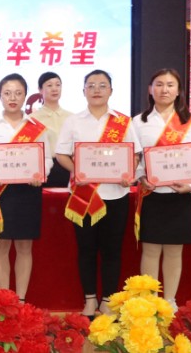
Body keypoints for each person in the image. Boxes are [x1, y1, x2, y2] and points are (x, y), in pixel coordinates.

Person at [55, 70, 141, 318]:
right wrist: (77, 171)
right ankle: (90, 299)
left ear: (111, 91)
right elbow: (61, 154)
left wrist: (129, 173)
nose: (96, 90)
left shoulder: (123, 122)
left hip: (116, 194)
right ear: (83, 91)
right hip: (84, 195)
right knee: (87, 249)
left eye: (102, 85)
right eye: (91, 85)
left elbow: (134, 154)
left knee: (112, 250)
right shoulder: (73, 121)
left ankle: (108, 300)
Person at [0, 74, 51, 303]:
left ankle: (21, 300)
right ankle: (4, 300)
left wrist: (41, 174)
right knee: (1, 246)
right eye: (7, 93)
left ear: (25, 95)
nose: (13, 98)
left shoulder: (37, 127)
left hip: (28, 191)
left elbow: (47, 158)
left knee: (25, 246)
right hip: (0, 193)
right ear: (0, 96)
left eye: (18, 93)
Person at [134, 69, 191, 308]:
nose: (164, 89)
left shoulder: (189, 121)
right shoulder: (139, 121)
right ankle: (149, 301)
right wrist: (141, 177)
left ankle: (170, 301)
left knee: (174, 251)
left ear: (178, 90)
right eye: (159, 84)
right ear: (150, 89)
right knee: (150, 250)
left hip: (179, 194)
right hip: (152, 194)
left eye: (170, 85)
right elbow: (134, 159)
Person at [31, 72, 74, 187]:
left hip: (69, 168)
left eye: (58, 85)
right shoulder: (32, 119)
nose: (54, 89)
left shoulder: (72, 117)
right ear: (40, 90)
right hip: (44, 169)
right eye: (49, 85)